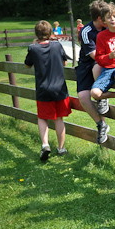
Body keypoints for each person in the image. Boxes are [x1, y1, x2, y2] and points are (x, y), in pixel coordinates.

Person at [24, 20, 71, 161]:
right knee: (59, 118)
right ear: (50, 32)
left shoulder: (33, 48)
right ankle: (61, 148)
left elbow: (27, 65)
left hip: (43, 89)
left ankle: (45, 145)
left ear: (36, 34)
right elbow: (65, 62)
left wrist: (34, 44)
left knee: (42, 118)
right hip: (60, 88)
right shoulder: (57, 45)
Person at [77, 0, 110, 144]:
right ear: (99, 18)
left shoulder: (109, 27)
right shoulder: (86, 32)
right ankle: (101, 124)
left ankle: (103, 97)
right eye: (106, 16)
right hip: (87, 65)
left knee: (98, 67)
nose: (109, 19)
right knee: (83, 97)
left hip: (104, 64)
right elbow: (94, 56)